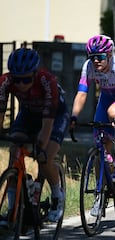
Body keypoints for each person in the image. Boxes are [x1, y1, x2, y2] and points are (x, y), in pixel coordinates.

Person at [0, 48, 69, 222]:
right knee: (14, 152)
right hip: (29, 114)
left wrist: (41, 145)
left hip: (55, 116)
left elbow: (47, 124)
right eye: (17, 79)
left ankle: (57, 196)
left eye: (26, 79)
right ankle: (12, 209)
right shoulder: (5, 81)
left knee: (44, 158)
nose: (21, 84)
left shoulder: (47, 81)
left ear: (35, 73)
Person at [71, 35, 115, 181]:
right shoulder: (89, 66)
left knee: (114, 112)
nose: (96, 60)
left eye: (100, 56)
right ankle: (101, 191)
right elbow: (81, 94)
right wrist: (74, 116)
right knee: (101, 143)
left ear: (110, 55)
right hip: (107, 97)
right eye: (92, 57)